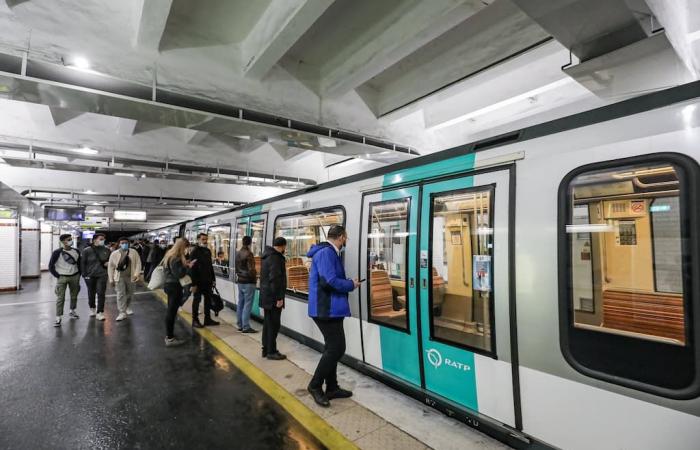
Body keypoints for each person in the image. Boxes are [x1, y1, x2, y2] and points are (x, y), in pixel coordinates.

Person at [306, 225, 360, 407]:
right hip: (325, 309)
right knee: (337, 348)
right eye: (346, 238)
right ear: (342, 236)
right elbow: (329, 281)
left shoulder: (328, 252)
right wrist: (350, 284)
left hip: (331, 309)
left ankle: (332, 387)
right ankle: (315, 386)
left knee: (332, 348)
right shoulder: (326, 253)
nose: (346, 241)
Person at [163, 238, 196, 347]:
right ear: (182, 247)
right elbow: (179, 274)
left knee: (171, 310)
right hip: (174, 286)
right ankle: (170, 338)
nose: (186, 250)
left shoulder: (169, 255)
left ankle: (169, 335)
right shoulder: (176, 258)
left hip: (169, 285)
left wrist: (184, 264)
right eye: (186, 247)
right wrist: (188, 266)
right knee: (171, 312)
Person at [260, 237, 287, 360]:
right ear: (282, 246)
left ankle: (266, 349)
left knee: (268, 324)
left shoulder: (267, 256)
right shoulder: (276, 258)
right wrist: (279, 298)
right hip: (272, 298)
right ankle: (271, 351)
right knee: (273, 325)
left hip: (267, 297)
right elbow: (275, 279)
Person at [48, 234, 81, 327]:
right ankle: (58, 317)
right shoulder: (57, 252)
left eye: (71, 239)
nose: (70, 241)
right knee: (60, 298)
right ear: (63, 242)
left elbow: (79, 264)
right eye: (68, 239)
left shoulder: (76, 251)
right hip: (62, 277)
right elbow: (50, 266)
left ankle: (72, 311)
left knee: (74, 296)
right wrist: (57, 275)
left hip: (75, 276)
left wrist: (79, 274)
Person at [108, 237, 142, 322]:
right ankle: (122, 312)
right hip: (119, 277)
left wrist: (136, 274)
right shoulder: (114, 254)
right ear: (119, 244)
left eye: (126, 243)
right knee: (120, 294)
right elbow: (111, 267)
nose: (124, 244)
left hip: (131, 277)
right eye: (122, 243)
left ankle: (128, 307)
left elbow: (138, 263)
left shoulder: (133, 252)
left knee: (130, 293)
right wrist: (111, 279)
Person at [189, 233, 218, 328]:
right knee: (197, 300)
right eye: (203, 239)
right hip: (198, 281)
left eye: (206, 239)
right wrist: (193, 284)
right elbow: (192, 269)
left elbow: (210, 266)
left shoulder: (208, 251)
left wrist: (213, 279)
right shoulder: (194, 252)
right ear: (198, 240)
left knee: (208, 300)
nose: (205, 241)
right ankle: (195, 320)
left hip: (208, 281)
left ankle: (207, 319)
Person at [80, 233, 110, 321]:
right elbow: (83, 263)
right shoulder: (87, 250)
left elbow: (110, 261)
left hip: (102, 275)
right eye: (101, 239)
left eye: (103, 239)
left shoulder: (107, 250)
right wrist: (84, 275)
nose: (103, 240)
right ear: (94, 240)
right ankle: (92, 308)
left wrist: (108, 263)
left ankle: (100, 312)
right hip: (90, 275)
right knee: (91, 293)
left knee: (101, 293)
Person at [235, 235, 257, 333]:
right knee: (248, 304)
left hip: (240, 281)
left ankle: (239, 324)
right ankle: (246, 326)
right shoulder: (249, 254)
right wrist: (255, 277)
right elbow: (251, 269)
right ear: (250, 243)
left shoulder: (238, 253)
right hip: (249, 282)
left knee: (241, 303)